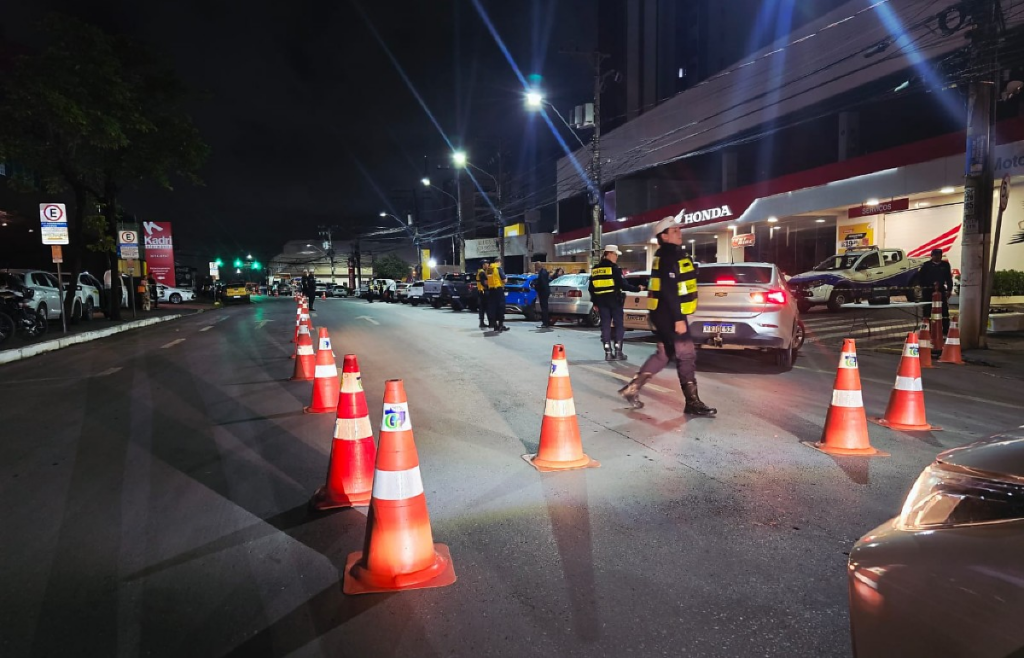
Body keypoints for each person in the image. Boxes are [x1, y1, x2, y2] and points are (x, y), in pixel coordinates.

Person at [618, 217, 716, 417]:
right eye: (675, 230)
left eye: (679, 229)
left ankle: (632, 388)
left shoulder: (669, 254)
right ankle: (692, 402)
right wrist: (678, 319)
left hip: (664, 313)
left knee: (663, 354)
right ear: (664, 236)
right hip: (670, 315)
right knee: (686, 354)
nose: (680, 232)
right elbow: (670, 289)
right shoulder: (668, 255)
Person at [589, 245, 639, 360]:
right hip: (614, 300)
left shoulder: (595, 269)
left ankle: (607, 352)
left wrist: (595, 303)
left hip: (601, 302)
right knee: (619, 325)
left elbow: (591, 288)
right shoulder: (614, 268)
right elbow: (623, 285)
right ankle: (618, 351)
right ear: (610, 254)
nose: (617, 257)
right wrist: (637, 289)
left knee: (605, 326)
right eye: (616, 255)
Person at [918, 248, 954, 334]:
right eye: (935, 255)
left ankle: (945, 329)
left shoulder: (945, 265)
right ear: (932, 256)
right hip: (928, 290)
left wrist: (949, 289)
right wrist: (925, 286)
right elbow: (920, 278)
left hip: (941, 289)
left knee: (944, 309)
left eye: (939, 255)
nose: (937, 257)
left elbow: (948, 278)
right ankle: (928, 329)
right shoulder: (926, 265)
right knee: (927, 309)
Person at [486, 259, 509, 332]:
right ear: (499, 262)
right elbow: (504, 280)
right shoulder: (498, 268)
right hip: (498, 290)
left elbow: (486, 281)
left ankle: (495, 325)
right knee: (501, 307)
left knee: (493, 308)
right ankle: (501, 325)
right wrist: (506, 279)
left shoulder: (489, 269)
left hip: (491, 290)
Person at [476, 260, 490, 329]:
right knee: (485, 307)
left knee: (482, 308)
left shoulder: (480, 271)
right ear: (483, 265)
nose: (488, 265)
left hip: (481, 291)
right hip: (483, 292)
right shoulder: (482, 272)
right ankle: (485, 322)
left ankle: (481, 322)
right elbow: (483, 282)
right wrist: (488, 287)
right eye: (487, 264)